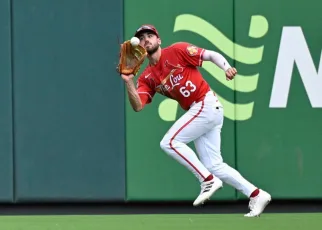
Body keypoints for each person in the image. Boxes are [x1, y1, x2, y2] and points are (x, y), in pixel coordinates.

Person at [121, 24, 271, 217]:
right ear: (138, 47)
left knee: (169, 142)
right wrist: (128, 81)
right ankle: (257, 194)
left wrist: (226, 67)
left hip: (205, 103)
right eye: (141, 38)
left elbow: (210, 55)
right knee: (214, 165)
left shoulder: (176, 51)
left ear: (159, 40)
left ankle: (207, 180)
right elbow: (137, 105)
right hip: (202, 111)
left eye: (150, 36)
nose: (146, 40)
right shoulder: (147, 77)